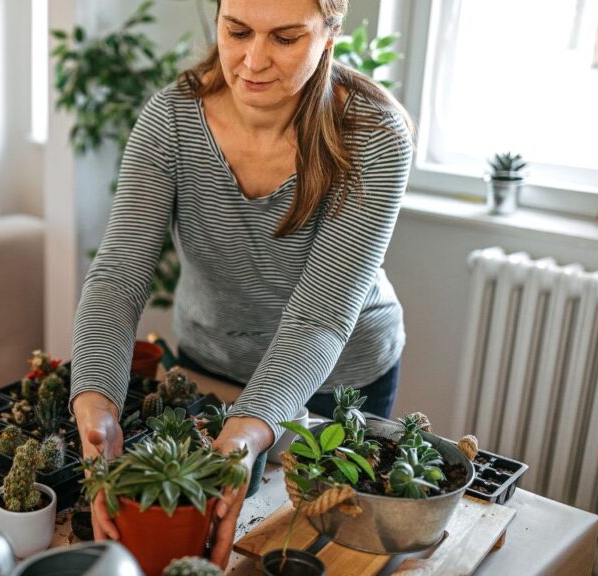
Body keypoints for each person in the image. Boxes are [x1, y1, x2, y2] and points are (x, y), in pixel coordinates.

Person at [69, 0, 413, 568]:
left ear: (330, 33)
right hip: (208, 358)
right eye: (236, 31)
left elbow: (320, 316)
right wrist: (96, 401)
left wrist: (246, 434)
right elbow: (118, 278)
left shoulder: (374, 136)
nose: (253, 61)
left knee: (312, 552)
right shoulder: (172, 119)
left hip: (334, 375)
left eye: (285, 38)